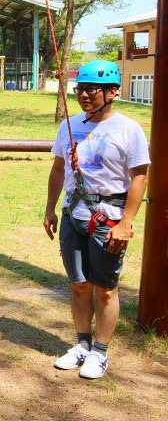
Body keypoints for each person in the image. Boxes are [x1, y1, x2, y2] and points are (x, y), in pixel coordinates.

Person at [44, 60, 149, 380]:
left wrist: (126, 223)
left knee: (105, 289)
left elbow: (140, 178)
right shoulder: (70, 125)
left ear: (113, 92)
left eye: (92, 90)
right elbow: (59, 169)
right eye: (80, 90)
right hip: (72, 214)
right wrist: (49, 209)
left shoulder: (128, 129)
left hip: (108, 218)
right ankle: (82, 345)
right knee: (78, 285)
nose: (84, 95)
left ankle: (100, 353)